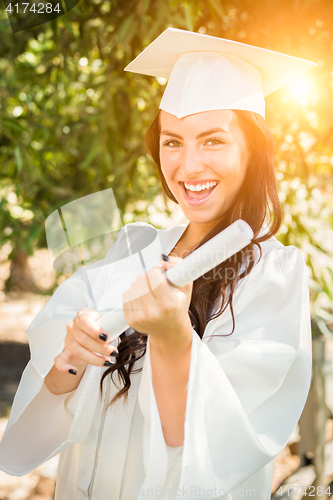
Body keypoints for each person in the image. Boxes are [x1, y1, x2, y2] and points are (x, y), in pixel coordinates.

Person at [0, 28, 316, 500]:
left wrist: (172, 336)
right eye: (172, 142)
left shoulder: (272, 277)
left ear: (253, 152)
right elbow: (38, 432)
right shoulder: (131, 250)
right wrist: (71, 357)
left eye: (212, 141)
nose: (188, 167)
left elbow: (201, 451)